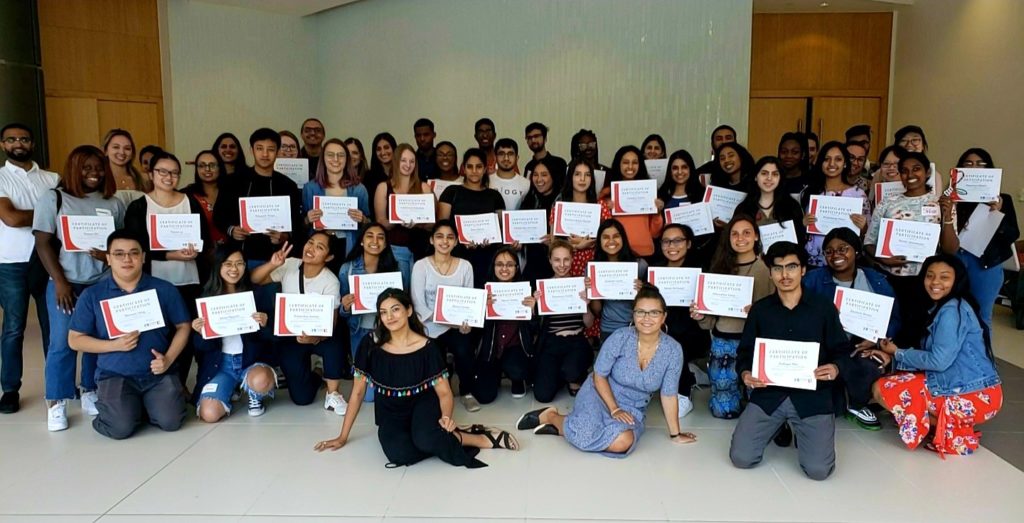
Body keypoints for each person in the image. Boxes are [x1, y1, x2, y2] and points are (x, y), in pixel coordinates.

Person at [314, 288, 518, 467]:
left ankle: (476, 438)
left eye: (395, 309)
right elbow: (357, 393)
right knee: (400, 455)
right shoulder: (370, 345)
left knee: (426, 440)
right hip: (390, 410)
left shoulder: (428, 347)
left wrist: (446, 417)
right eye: (383, 312)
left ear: (408, 310)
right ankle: (444, 435)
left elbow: (445, 392)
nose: (390, 317)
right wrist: (342, 436)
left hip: (423, 403)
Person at [516, 284, 696, 456]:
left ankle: (568, 428)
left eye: (654, 313)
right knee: (587, 432)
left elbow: (668, 394)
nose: (646, 318)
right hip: (599, 392)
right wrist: (614, 409)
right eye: (640, 312)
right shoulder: (620, 337)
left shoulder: (673, 350)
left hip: (634, 406)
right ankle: (553, 417)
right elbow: (599, 375)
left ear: (664, 316)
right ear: (633, 315)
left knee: (622, 442)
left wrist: (675, 434)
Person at [729, 241, 849, 481]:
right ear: (770, 272)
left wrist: (835, 368)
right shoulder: (760, 311)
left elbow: (842, 350)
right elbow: (744, 353)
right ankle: (779, 425)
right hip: (769, 394)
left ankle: (798, 429)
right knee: (741, 458)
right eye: (778, 268)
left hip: (812, 396)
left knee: (818, 471)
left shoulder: (824, 308)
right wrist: (745, 374)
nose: (785, 275)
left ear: (803, 270)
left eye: (792, 267)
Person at [870, 254, 1002, 456]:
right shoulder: (948, 305)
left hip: (974, 395)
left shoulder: (951, 311)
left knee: (883, 388)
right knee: (900, 382)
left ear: (957, 279)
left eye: (944, 277)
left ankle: (952, 429)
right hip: (978, 390)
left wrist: (897, 353)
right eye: (930, 276)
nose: (935, 283)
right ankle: (950, 426)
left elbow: (938, 361)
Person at [34, 145, 126, 431]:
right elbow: (42, 242)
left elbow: (118, 243)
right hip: (65, 281)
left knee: (97, 338)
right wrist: (60, 281)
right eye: (87, 168)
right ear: (74, 168)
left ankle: (89, 389)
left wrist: (106, 256)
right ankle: (57, 401)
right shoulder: (55, 198)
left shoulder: (113, 202)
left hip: (100, 281)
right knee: (62, 341)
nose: (94, 174)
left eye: (99, 168)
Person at [67, 229, 190, 439]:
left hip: (158, 374)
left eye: (134, 253)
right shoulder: (93, 295)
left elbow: (183, 326)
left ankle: (140, 406)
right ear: (108, 258)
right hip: (115, 374)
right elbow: (74, 340)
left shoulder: (164, 289)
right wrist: (114, 345)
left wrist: (168, 359)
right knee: (120, 429)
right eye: (119, 254)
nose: (127, 259)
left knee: (171, 422)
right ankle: (126, 408)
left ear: (143, 257)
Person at [125, 150, 212, 394]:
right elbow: (136, 248)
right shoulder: (139, 206)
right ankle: (158, 384)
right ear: (151, 174)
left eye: (174, 172)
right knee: (157, 334)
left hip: (189, 280)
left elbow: (204, 238)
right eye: (162, 171)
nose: (168, 177)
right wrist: (171, 254)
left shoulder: (190, 201)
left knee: (185, 332)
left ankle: (180, 384)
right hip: (153, 282)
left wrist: (195, 251)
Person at [803, 228, 900, 430]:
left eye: (843, 249)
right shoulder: (813, 280)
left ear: (856, 251)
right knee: (829, 403)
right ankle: (842, 399)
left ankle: (856, 403)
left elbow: (893, 318)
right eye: (829, 251)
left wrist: (876, 340)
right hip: (826, 345)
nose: (835, 255)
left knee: (873, 364)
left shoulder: (876, 280)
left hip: (863, 345)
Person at [864, 151, 956, 345]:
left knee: (919, 330)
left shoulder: (941, 203)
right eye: (904, 171)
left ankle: (913, 371)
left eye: (916, 169)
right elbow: (869, 242)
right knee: (892, 328)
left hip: (925, 281)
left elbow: (950, 250)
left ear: (927, 173)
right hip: (891, 279)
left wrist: (946, 216)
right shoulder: (888, 203)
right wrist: (883, 258)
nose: (910, 175)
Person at [692, 215, 776, 419]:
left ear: (756, 237)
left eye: (747, 233)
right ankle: (733, 393)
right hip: (723, 342)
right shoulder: (720, 269)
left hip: (755, 343)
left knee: (761, 409)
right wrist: (700, 315)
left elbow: (777, 316)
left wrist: (759, 312)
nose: (741, 238)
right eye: (735, 234)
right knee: (724, 411)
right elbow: (709, 323)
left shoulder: (767, 271)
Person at [0, 123, 57, 413]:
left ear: (32, 143)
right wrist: (48, 215)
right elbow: (10, 218)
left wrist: (33, 215)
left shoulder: (52, 178)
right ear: (3, 145)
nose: (18, 143)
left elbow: (65, 214)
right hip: (10, 262)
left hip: (47, 260)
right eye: (11, 139)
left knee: (52, 326)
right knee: (13, 328)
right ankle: (10, 389)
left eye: (24, 138)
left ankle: (56, 386)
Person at [251, 236, 345, 411]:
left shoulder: (331, 281)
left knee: (335, 344)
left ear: (329, 257)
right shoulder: (291, 264)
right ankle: (317, 374)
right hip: (291, 336)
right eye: (310, 242)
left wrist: (314, 338)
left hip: (318, 336)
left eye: (320, 247)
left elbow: (331, 324)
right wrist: (273, 264)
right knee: (302, 399)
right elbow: (256, 279)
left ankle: (333, 394)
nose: (311, 248)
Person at [191, 244, 275, 421]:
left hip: (250, 361)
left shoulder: (256, 294)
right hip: (221, 365)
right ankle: (229, 389)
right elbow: (200, 348)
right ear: (218, 266)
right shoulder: (206, 297)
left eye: (239, 263)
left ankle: (254, 395)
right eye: (228, 264)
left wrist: (266, 324)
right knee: (209, 414)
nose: (234, 269)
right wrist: (199, 331)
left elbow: (272, 339)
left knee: (261, 380)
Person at [410, 220, 481, 412]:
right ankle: (442, 391)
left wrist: (467, 322)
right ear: (432, 240)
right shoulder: (421, 266)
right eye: (439, 236)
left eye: (450, 237)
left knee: (465, 350)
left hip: (458, 326)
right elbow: (418, 303)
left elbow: (469, 300)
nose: (444, 241)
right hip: (429, 325)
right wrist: (443, 319)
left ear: (456, 242)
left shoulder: (465, 266)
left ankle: (466, 392)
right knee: (436, 359)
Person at [947, 148, 1019, 329]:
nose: (975, 168)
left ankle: (982, 357)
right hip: (955, 260)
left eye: (980, 164)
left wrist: (998, 213)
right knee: (951, 313)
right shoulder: (953, 199)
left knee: (981, 316)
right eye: (968, 164)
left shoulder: (1002, 199)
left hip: (985, 264)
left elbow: (1012, 234)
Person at [213, 128, 303, 271]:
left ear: (278, 151)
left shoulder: (288, 185)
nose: (265, 154)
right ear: (251, 150)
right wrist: (232, 230)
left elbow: (297, 224)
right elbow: (218, 215)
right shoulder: (234, 181)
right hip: (240, 259)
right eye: (259, 148)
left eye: (271, 149)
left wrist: (285, 236)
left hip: (276, 261)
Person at [338, 222, 404, 402]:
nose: (375, 241)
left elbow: (401, 307)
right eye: (369, 236)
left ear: (385, 243)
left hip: (386, 331)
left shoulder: (394, 268)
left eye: (380, 237)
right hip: (360, 331)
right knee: (368, 397)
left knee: (393, 389)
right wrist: (345, 305)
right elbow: (343, 312)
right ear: (361, 241)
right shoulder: (347, 269)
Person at [654, 224, 710, 417]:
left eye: (678, 240)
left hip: (693, 332)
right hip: (661, 329)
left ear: (688, 244)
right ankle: (691, 376)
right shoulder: (655, 271)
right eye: (667, 241)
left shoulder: (702, 271)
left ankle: (682, 393)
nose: (672, 245)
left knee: (675, 343)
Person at [531, 239, 595, 402]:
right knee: (543, 396)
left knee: (571, 371)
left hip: (576, 340)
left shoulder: (580, 285)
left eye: (566, 259)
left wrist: (586, 305)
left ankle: (574, 375)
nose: (562, 265)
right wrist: (534, 308)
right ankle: (560, 375)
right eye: (557, 260)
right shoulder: (543, 288)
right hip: (551, 342)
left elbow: (589, 324)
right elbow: (534, 327)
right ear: (550, 260)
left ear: (573, 259)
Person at [474, 247, 536, 404]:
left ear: (516, 267)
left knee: (517, 369)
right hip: (491, 350)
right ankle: (496, 374)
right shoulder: (483, 292)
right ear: (493, 267)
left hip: (515, 348)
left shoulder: (526, 291)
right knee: (484, 397)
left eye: (509, 264)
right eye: (499, 264)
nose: (504, 269)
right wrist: (481, 309)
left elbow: (535, 330)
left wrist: (533, 311)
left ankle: (517, 379)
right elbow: (476, 330)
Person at [438, 148, 505, 287]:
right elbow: (441, 227)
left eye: (479, 166)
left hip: (486, 258)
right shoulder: (451, 192)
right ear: (463, 168)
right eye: (470, 166)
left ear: (485, 168)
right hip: (457, 256)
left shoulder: (495, 196)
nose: (474, 171)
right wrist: (461, 241)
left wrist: (491, 240)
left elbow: (500, 231)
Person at [800, 141, 869, 268]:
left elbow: (867, 233)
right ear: (820, 163)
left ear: (845, 163)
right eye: (827, 159)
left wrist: (863, 227)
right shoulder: (810, 192)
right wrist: (803, 224)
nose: (832, 164)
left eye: (838, 159)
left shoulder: (858, 195)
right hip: (814, 261)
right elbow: (801, 231)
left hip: (845, 262)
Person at [302, 137, 371, 257]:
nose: (335, 159)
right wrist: (308, 219)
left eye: (341, 155)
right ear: (323, 158)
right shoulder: (310, 188)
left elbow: (370, 224)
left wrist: (363, 219)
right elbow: (301, 225)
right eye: (330, 154)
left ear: (347, 159)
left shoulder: (359, 189)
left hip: (349, 245)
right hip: (319, 248)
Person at [374, 143, 433, 271]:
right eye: (403, 160)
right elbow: (380, 222)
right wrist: (398, 220)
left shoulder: (424, 188)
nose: (408, 165)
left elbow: (432, 224)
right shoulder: (384, 187)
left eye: (412, 161)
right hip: (394, 248)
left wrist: (418, 224)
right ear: (396, 161)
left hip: (421, 249)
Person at [587, 219, 647, 343]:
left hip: (638, 327)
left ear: (623, 239)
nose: (611, 241)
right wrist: (592, 291)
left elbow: (651, 303)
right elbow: (597, 311)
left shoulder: (640, 265)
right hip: (609, 328)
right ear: (599, 241)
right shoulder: (593, 268)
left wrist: (642, 292)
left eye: (616, 236)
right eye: (605, 237)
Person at [598, 145, 664, 257]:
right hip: (616, 255)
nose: (630, 166)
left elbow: (655, 233)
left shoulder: (649, 192)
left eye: (634, 162)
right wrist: (607, 211)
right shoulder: (606, 194)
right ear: (618, 164)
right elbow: (600, 231)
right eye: (625, 162)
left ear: (640, 165)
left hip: (644, 254)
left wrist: (657, 213)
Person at [552, 159, 612, 279]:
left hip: (595, 266)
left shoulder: (601, 206)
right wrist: (577, 246)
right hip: (565, 268)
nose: (582, 179)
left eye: (587, 175)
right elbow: (553, 245)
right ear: (570, 177)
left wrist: (590, 243)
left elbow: (609, 238)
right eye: (577, 174)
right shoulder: (559, 207)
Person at [735, 156, 806, 247]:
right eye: (764, 173)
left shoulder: (791, 206)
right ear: (756, 177)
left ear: (780, 178)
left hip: (786, 259)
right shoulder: (744, 208)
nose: (769, 178)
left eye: (775, 174)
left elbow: (799, 240)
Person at [518, 157, 559, 282]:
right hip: (532, 265)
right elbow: (519, 232)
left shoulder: (562, 201)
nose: (539, 179)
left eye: (544, 175)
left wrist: (555, 241)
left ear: (553, 176)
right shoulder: (528, 200)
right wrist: (517, 243)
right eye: (535, 175)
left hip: (557, 266)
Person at [182, 150, 228, 245]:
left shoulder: (231, 192)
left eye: (212, 165)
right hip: (198, 253)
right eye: (202, 165)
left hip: (230, 254)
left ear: (220, 168)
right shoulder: (186, 194)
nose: (207, 169)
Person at [489, 138, 530, 210]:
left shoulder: (527, 184)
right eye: (501, 154)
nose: (506, 158)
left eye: (510, 154)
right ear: (495, 158)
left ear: (517, 158)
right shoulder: (486, 182)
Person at [103, 128, 148, 193]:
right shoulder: (100, 178)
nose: (122, 152)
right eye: (116, 147)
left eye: (127, 148)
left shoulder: (143, 179)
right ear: (106, 151)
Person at [364, 132, 396, 219]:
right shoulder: (368, 177)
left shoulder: (402, 173)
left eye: (386, 147)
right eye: (378, 149)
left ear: (394, 149)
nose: (383, 152)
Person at [867, 144, 904, 209]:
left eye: (897, 164)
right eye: (886, 164)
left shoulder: (915, 192)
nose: (891, 168)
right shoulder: (875, 192)